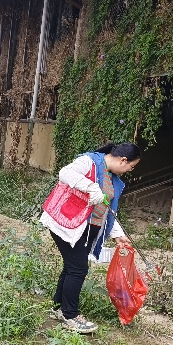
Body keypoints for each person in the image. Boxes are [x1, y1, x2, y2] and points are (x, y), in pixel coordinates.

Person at [40, 142, 138, 334]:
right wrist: (91, 187)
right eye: (131, 166)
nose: (129, 170)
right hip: (66, 222)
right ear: (123, 160)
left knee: (72, 267)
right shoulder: (90, 162)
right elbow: (65, 173)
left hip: (85, 227)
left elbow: (108, 210)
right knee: (78, 268)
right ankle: (70, 315)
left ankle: (60, 307)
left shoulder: (113, 178)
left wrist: (117, 234)